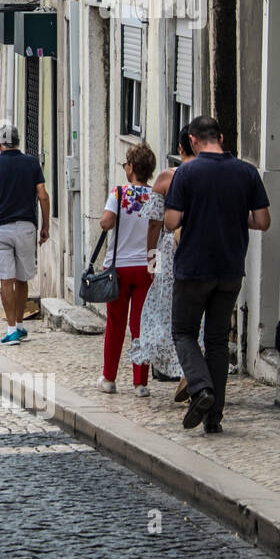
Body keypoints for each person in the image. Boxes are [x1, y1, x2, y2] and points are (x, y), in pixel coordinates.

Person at [164, 116, 271, 433]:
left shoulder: (186, 172)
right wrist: (236, 217)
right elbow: (263, 221)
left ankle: (201, 389)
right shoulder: (246, 171)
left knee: (183, 332)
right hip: (230, 269)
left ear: (193, 142)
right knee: (217, 341)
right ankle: (214, 418)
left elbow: (171, 222)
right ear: (221, 137)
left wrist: (192, 213)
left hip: (193, 269)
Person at [131, 126, 202, 398]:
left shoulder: (166, 179)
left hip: (172, 255)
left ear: (181, 149)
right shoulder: (212, 177)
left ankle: (185, 370)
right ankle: (191, 372)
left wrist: (152, 262)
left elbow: (154, 226)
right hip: (205, 251)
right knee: (199, 316)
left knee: (167, 315)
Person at [0, 121, 50, 345]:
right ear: (18, 142)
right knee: (23, 279)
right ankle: (22, 325)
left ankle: (11, 328)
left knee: (7, 280)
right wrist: (45, 226)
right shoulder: (32, 164)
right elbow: (43, 196)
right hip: (26, 227)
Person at [97, 142, 157, 396]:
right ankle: (140, 383)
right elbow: (158, 230)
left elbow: (106, 223)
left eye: (125, 164)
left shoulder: (119, 193)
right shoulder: (156, 195)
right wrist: (155, 268)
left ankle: (109, 379)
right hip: (146, 267)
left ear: (131, 167)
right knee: (141, 325)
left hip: (118, 267)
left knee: (115, 324)